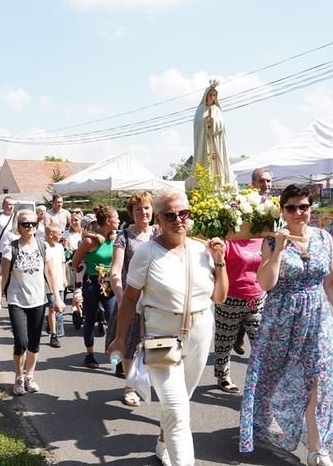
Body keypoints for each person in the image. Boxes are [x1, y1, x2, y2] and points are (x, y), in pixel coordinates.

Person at [108, 188, 228, 466]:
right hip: (161, 340)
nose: (178, 220)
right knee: (177, 409)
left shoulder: (202, 250)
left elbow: (219, 297)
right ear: (159, 219)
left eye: (183, 213)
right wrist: (119, 338)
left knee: (180, 403)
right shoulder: (146, 253)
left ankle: (163, 442)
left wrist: (219, 260)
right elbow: (130, 300)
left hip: (200, 335)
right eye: (170, 215)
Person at [240, 184, 333, 466]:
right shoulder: (272, 241)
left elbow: (332, 281)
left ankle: (317, 450)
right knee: (273, 375)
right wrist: (278, 248)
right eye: (292, 208)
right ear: (282, 210)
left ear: (311, 208)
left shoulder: (325, 238)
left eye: (304, 207)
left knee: (317, 379)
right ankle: (264, 423)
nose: (299, 212)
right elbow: (265, 284)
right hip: (280, 318)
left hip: (317, 317)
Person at [0, 210, 65, 395]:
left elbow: (50, 274)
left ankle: (30, 376)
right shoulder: (11, 248)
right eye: (26, 224)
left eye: (33, 224)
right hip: (17, 300)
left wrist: (57, 298)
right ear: (18, 226)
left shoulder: (44, 247)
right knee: (21, 341)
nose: (30, 227)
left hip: (38, 300)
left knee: (34, 342)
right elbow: (2, 276)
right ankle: (18, 376)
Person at [105, 190, 157, 405]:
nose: (143, 212)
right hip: (131, 298)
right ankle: (129, 386)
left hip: (156, 299)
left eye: (147, 207)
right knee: (130, 344)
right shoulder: (124, 236)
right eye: (138, 209)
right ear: (131, 213)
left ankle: (152, 382)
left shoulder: (159, 234)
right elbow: (115, 271)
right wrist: (121, 297)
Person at [71, 204, 119, 369]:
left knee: (114, 319)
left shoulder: (115, 238)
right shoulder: (90, 240)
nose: (119, 221)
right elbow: (75, 263)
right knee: (90, 318)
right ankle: (89, 354)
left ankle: (116, 356)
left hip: (110, 284)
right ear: (107, 221)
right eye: (116, 218)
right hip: (92, 283)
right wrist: (83, 279)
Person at [232, 167, 273, 355]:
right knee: (246, 298)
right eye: (262, 181)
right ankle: (239, 334)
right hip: (247, 256)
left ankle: (259, 344)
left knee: (262, 302)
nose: (265, 185)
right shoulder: (245, 202)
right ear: (253, 183)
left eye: (268, 181)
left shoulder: (275, 205)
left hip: (268, 255)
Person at [190, 79, 236, 189]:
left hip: (215, 142)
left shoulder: (217, 109)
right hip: (205, 141)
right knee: (205, 165)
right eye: (210, 94)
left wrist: (214, 121)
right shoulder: (201, 109)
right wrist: (205, 120)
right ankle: (203, 186)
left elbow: (221, 124)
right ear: (206, 95)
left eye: (214, 95)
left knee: (217, 165)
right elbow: (198, 123)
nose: (212, 97)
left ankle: (218, 185)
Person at [44, 223, 67, 348]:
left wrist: (64, 278)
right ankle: (54, 334)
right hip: (48, 283)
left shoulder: (60, 247)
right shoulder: (44, 246)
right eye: (59, 234)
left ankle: (51, 323)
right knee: (53, 307)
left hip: (59, 282)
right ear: (51, 235)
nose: (61, 236)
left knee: (59, 308)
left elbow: (63, 263)